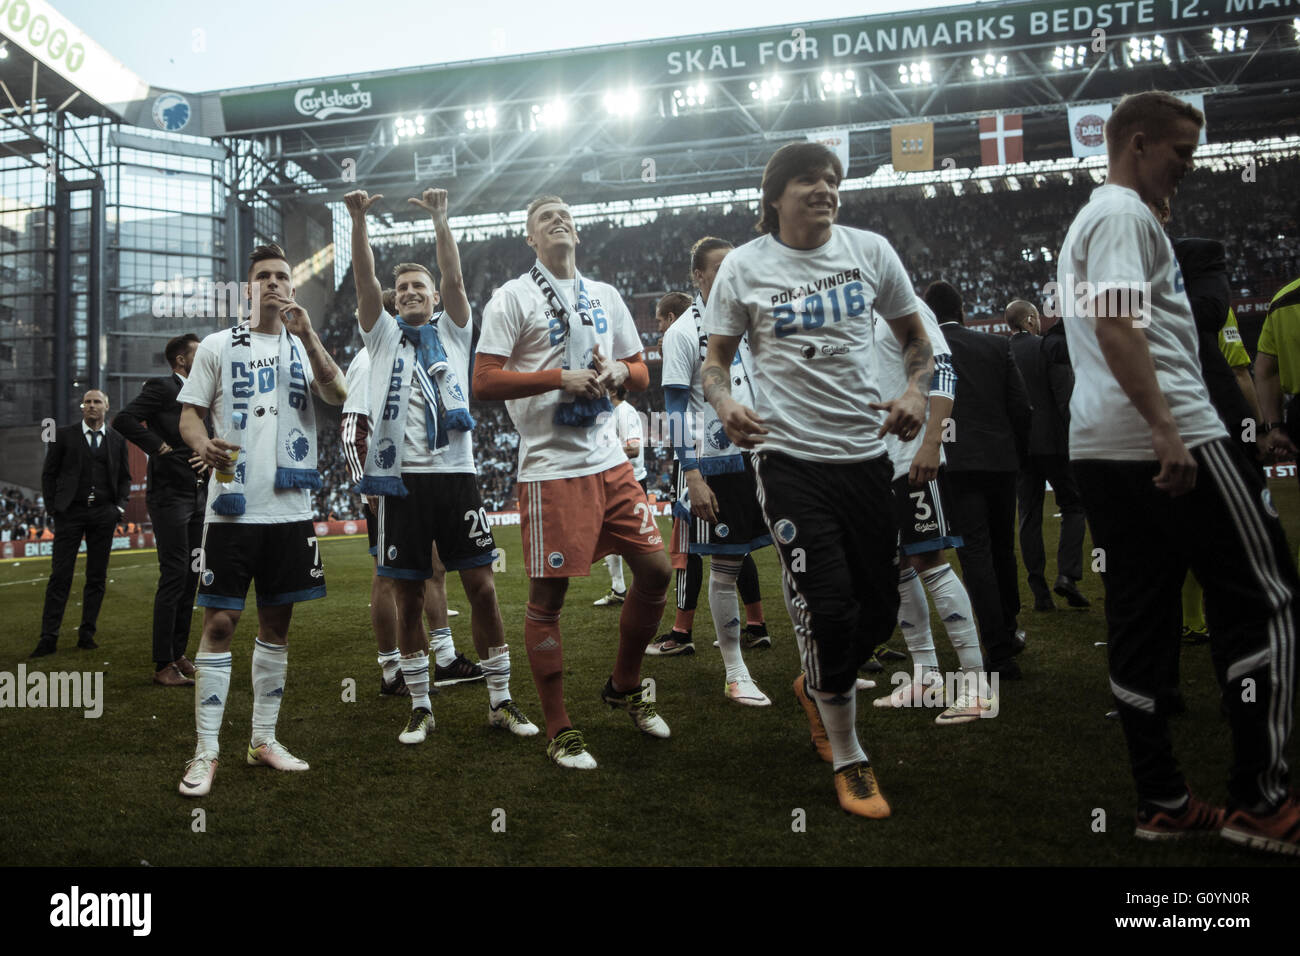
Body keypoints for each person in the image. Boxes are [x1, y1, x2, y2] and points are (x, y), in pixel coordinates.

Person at [1057, 90, 1298, 852]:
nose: (1189, 168)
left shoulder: (1091, 223)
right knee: (1269, 600)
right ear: (1136, 144)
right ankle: (1264, 799)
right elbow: (1120, 326)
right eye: (1180, 152)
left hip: (1099, 446)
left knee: (1139, 618)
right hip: (1173, 438)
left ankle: (1162, 799)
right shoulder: (1124, 215)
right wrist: (1168, 431)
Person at [702, 141, 933, 818]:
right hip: (790, 461)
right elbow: (716, 360)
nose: (826, 189)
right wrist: (724, 404)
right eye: (809, 180)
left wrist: (916, 393)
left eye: (832, 180)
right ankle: (852, 757)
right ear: (776, 195)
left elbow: (915, 338)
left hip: (865, 458)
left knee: (878, 613)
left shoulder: (871, 250)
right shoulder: (743, 267)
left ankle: (818, 684)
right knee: (829, 607)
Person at [473, 194, 672, 770]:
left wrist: (618, 372)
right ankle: (559, 728)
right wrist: (560, 377)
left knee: (657, 571)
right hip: (553, 470)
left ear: (577, 232)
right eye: (543, 217)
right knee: (548, 599)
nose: (556, 220)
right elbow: (484, 380)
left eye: (564, 215)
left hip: (611, 462)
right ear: (530, 238)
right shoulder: (511, 297)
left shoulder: (606, 295)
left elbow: (640, 367)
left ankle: (624, 683)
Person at [348, 187, 534, 744]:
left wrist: (441, 219)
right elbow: (362, 280)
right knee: (408, 595)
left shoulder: (454, 334)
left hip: (456, 477)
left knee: (482, 587)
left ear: (433, 298)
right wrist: (359, 221)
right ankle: (421, 705)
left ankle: (501, 699)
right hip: (401, 484)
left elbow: (455, 278)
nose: (409, 293)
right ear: (392, 299)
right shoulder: (380, 337)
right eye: (401, 288)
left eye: (418, 288)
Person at [175, 242, 347, 797]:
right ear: (249, 288)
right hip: (232, 509)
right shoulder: (220, 347)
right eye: (264, 277)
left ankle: (263, 740)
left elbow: (339, 394)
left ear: (291, 288)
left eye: (282, 276)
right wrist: (204, 447)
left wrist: (310, 335)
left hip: (290, 511)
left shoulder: (303, 346)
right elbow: (189, 417)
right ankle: (206, 751)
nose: (273, 284)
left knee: (276, 628)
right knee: (220, 626)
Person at [657, 236, 772, 706]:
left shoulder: (756, 317)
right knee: (725, 567)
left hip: (771, 454)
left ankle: (820, 664)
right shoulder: (682, 332)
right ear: (698, 277)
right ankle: (735, 670)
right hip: (719, 464)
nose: (731, 273)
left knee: (798, 557)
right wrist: (693, 475)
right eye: (720, 267)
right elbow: (677, 410)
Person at [870, 301, 991, 724]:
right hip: (873, 462)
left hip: (910, 457)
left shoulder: (898, 301)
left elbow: (944, 370)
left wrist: (931, 443)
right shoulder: (844, 314)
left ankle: (976, 687)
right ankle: (926, 677)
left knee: (929, 561)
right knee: (900, 565)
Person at [340, 342, 481, 698]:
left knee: (434, 567)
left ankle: (446, 657)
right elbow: (352, 425)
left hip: (419, 480)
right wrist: (365, 482)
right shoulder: (368, 356)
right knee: (386, 576)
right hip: (386, 482)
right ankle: (391, 670)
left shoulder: (415, 354)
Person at [925, 280, 1031, 678]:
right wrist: (1015, 454)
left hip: (957, 463)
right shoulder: (996, 346)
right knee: (1004, 547)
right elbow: (1021, 407)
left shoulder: (928, 351)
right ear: (963, 309)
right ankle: (1008, 627)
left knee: (976, 554)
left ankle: (999, 649)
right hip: (1001, 461)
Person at [114, 333, 210, 686]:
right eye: (198, 353)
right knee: (173, 574)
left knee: (190, 576)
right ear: (181, 361)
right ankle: (161, 664)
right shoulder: (162, 387)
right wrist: (158, 448)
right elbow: (123, 419)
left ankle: (178, 652)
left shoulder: (203, 391)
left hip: (198, 493)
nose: (206, 357)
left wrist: (209, 460)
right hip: (169, 495)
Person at [31, 390, 132, 658]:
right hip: (70, 514)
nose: (91, 406)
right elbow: (49, 473)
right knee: (60, 576)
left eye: (96, 401)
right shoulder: (63, 435)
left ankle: (87, 633)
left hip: (103, 514)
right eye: (87, 402)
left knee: (96, 576)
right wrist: (54, 508)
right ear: (82, 407)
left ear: (106, 407)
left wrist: (118, 507)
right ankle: (48, 636)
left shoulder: (117, 440)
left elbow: (124, 478)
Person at [1006, 300, 1089, 612]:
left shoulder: (1002, 351)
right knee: (1074, 505)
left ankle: (1039, 591)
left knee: (1029, 515)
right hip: (1055, 443)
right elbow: (1065, 398)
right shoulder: (1048, 349)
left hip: (1021, 449)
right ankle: (1067, 575)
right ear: (1030, 320)